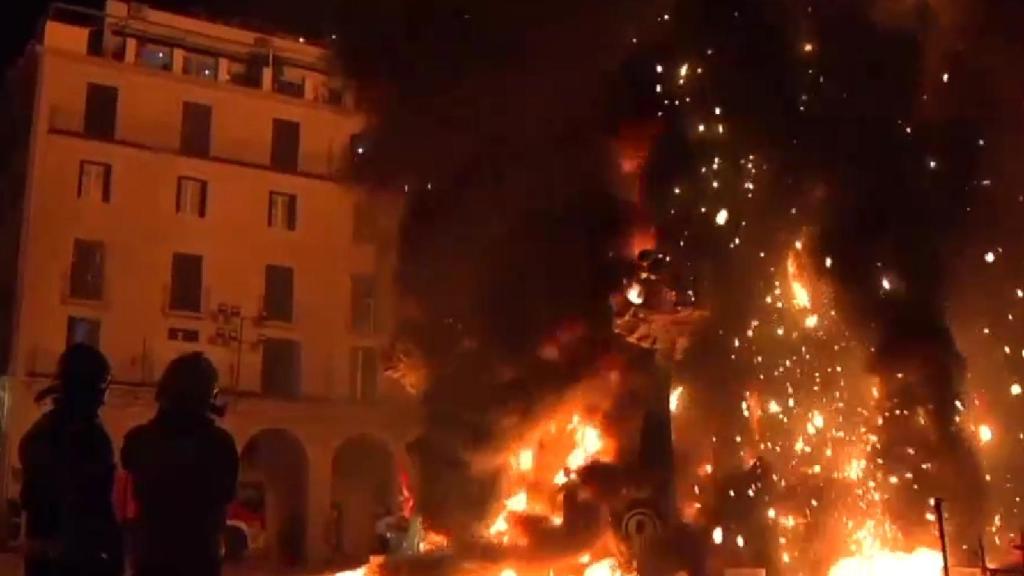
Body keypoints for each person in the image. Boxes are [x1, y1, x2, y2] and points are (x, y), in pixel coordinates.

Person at [121, 352, 238, 576]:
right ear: (207, 394)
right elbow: (226, 495)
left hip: (152, 558)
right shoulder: (220, 444)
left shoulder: (139, 440)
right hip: (200, 559)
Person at [19, 343, 123, 576]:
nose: (105, 398)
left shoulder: (37, 433)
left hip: (40, 557)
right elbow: (100, 507)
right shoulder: (93, 439)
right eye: (104, 385)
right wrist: (116, 556)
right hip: (81, 559)